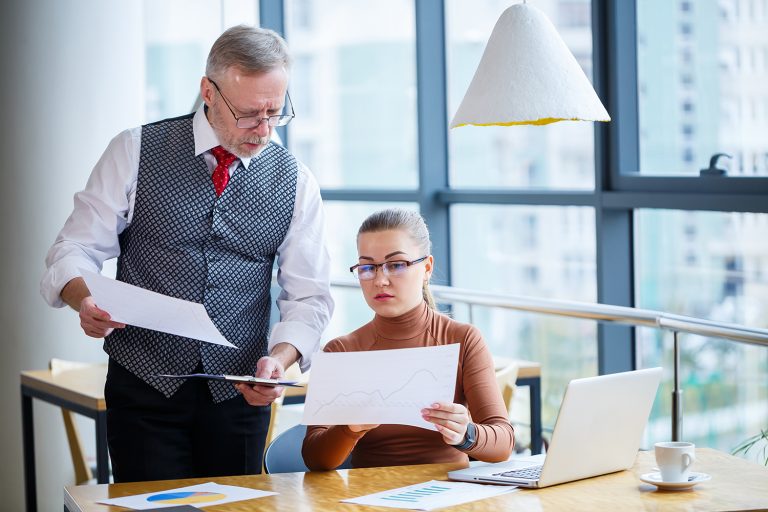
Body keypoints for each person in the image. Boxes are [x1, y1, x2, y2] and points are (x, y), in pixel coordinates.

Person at [40, 25, 333, 482]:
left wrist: (280, 359)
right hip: (143, 388)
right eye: (249, 114)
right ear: (208, 92)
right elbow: (73, 248)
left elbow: (309, 296)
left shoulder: (297, 181)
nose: (264, 130)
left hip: (239, 396)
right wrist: (84, 299)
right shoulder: (135, 150)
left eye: (276, 112)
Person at [301, 208, 513, 470]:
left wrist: (467, 434)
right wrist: (350, 429)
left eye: (396, 265)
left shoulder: (462, 338)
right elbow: (315, 459)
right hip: (367, 499)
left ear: (426, 268)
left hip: (450, 496)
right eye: (368, 267)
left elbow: (503, 443)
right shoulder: (341, 351)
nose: (380, 280)